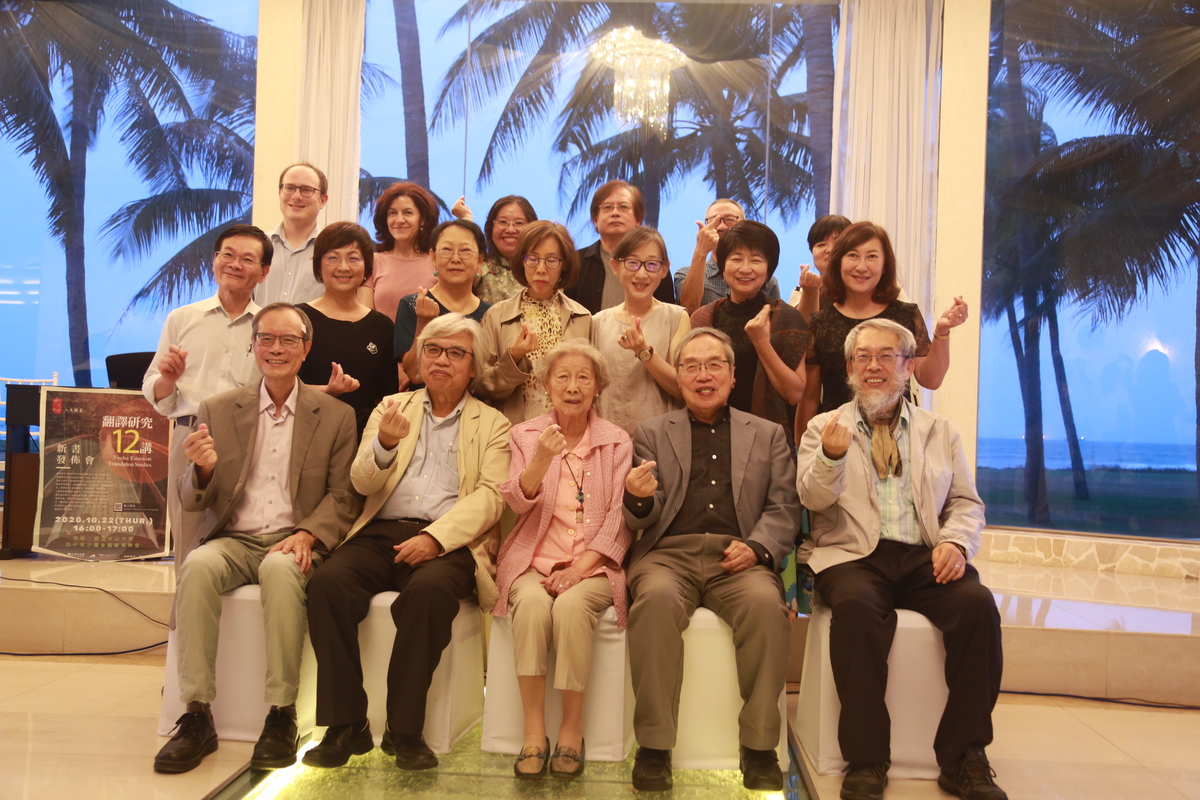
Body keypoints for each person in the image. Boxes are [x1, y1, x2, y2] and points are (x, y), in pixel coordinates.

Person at [796, 318, 1005, 800]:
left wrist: (954, 542)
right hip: (853, 555)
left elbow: (966, 504)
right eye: (863, 358)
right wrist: (830, 457)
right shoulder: (822, 427)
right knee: (856, 612)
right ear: (849, 369)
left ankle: (964, 758)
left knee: (976, 606)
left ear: (908, 367)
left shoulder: (939, 431)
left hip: (924, 554)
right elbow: (811, 498)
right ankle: (867, 760)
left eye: (886, 356)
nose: (874, 367)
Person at [153, 303, 361, 775]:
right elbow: (192, 499)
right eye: (266, 338)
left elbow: (344, 495)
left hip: (294, 537)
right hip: (236, 537)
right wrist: (202, 469)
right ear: (253, 346)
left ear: (306, 349)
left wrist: (309, 532)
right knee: (199, 566)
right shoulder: (220, 409)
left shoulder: (336, 414)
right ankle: (196, 713)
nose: (276, 349)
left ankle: (281, 713)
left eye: (289, 340)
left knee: (281, 572)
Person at [303, 314, 511, 772]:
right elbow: (361, 481)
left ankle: (405, 729)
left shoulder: (493, 423)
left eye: (456, 353)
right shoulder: (391, 407)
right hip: (379, 531)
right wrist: (383, 444)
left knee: (431, 594)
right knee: (328, 585)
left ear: (473, 367)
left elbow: (492, 498)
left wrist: (435, 539)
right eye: (433, 350)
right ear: (419, 358)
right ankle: (345, 725)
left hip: (449, 540)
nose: (442, 361)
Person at [623, 328, 799, 793]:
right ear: (677, 376)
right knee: (655, 602)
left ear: (733, 374)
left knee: (766, 607)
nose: (703, 376)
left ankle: (759, 746)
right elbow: (644, 513)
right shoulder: (652, 433)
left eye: (714, 365)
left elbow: (784, 508)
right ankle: (655, 747)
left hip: (739, 555)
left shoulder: (768, 434)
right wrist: (638, 499)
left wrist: (759, 549)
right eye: (691, 366)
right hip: (667, 555)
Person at [494, 340, 633, 780]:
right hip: (533, 559)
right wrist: (541, 459)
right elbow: (516, 503)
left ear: (597, 389)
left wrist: (582, 567)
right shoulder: (525, 434)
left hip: (592, 563)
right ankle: (534, 733)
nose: (572, 387)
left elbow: (620, 518)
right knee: (532, 607)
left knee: (572, 609)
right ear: (546, 386)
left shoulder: (616, 441)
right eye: (563, 377)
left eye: (583, 378)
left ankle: (571, 732)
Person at [143, 224, 272, 565]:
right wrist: (168, 381)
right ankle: (183, 621)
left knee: (243, 540)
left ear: (263, 272)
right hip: (190, 436)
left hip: (250, 440)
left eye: (247, 259)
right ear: (214, 261)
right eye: (227, 255)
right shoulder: (183, 318)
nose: (234, 264)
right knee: (188, 545)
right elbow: (154, 385)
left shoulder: (268, 326)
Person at [797, 221, 969, 436]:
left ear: (885, 265)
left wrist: (942, 332)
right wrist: (805, 449)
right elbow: (810, 398)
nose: (862, 266)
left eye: (872, 256)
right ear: (838, 262)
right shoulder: (820, 322)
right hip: (837, 438)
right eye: (852, 255)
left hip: (900, 435)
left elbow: (930, 379)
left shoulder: (906, 314)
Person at [691, 220, 810, 447]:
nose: (745, 268)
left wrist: (761, 343)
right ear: (723, 267)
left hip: (766, 442)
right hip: (707, 436)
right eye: (736, 259)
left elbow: (794, 393)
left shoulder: (785, 317)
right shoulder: (703, 318)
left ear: (768, 269)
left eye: (756, 260)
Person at [476, 220, 592, 425]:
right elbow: (480, 386)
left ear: (564, 264)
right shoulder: (497, 315)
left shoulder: (582, 317)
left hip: (568, 432)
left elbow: (591, 386)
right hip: (513, 431)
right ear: (521, 261)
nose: (541, 269)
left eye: (551, 260)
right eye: (532, 259)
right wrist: (514, 356)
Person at [298, 222, 399, 437]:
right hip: (307, 434)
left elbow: (388, 397)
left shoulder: (381, 325)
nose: (343, 267)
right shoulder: (298, 319)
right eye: (332, 258)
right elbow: (282, 386)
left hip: (364, 440)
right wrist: (328, 391)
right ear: (319, 265)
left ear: (366, 267)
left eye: (353, 258)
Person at [592, 227, 690, 434]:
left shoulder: (677, 317)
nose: (642, 273)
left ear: (664, 270)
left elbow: (682, 388)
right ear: (615, 266)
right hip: (606, 441)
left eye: (652, 264)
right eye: (633, 263)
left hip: (660, 440)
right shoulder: (597, 322)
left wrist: (644, 351)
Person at [395, 220, 491, 387]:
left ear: (480, 259)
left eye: (465, 251)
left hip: (476, 409)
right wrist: (423, 322)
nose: (455, 259)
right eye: (446, 250)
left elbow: (487, 377)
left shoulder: (491, 314)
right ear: (433, 256)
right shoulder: (413, 304)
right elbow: (415, 375)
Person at [566, 180, 675, 314]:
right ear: (595, 219)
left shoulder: (654, 264)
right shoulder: (576, 261)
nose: (615, 213)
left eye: (623, 207)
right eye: (607, 207)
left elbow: (667, 313)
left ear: (638, 220)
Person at [673, 198, 781, 314]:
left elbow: (777, 320)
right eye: (714, 221)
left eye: (730, 220)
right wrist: (701, 251)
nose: (721, 227)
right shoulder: (685, 274)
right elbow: (689, 313)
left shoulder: (766, 280)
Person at [361, 181, 438, 321]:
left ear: (423, 219)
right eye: (392, 213)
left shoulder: (437, 263)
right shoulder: (372, 262)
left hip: (427, 342)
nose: (399, 219)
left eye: (408, 212)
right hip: (380, 341)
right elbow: (364, 321)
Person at [255, 163, 330, 306]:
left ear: (323, 200)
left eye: (306, 190)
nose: (296, 196)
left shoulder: (332, 252)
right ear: (280, 193)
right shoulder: (257, 246)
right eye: (289, 188)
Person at [474, 195, 537, 304]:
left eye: (519, 223)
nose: (511, 230)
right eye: (503, 222)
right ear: (491, 227)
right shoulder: (478, 267)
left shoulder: (543, 268)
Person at [791, 214, 852, 321]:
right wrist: (810, 292)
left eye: (837, 243)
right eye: (821, 245)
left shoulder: (863, 288)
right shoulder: (801, 292)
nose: (830, 250)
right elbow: (798, 330)